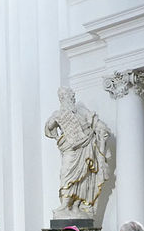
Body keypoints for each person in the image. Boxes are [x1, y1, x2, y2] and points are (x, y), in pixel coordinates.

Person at [44, 87, 111, 217]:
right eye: (64, 97)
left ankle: (76, 205)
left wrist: (100, 130)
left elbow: (97, 124)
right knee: (65, 174)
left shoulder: (81, 111)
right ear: (61, 99)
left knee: (84, 178)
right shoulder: (58, 113)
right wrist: (54, 125)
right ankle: (65, 205)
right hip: (69, 149)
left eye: (70, 96)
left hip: (85, 147)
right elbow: (49, 128)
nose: (69, 98)